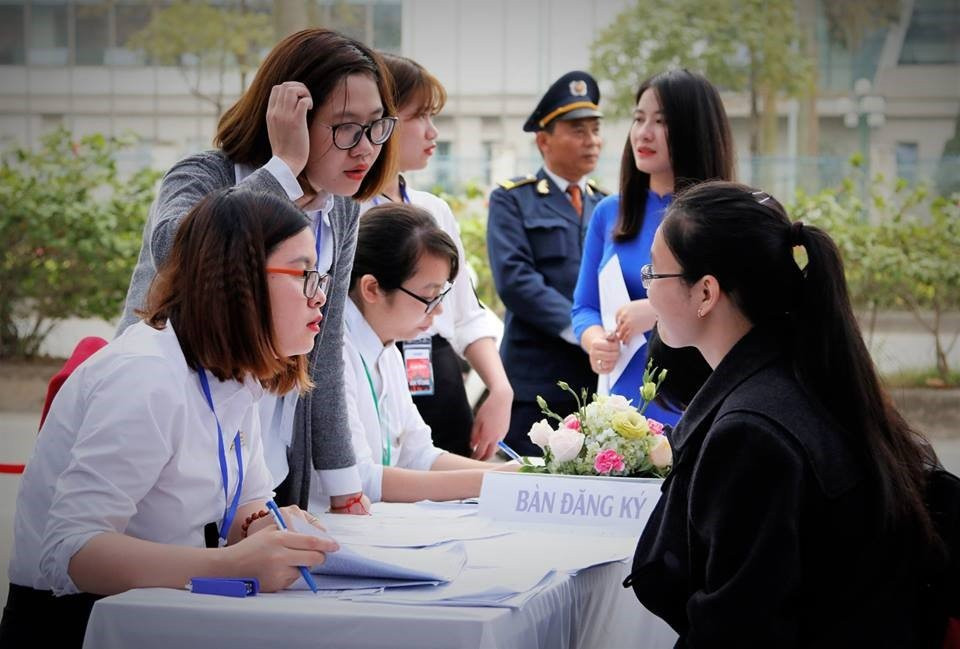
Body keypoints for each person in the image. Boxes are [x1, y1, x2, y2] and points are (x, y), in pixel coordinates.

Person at [0, 189, 339, 647]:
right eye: (303, 274)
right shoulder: (147, 374)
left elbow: (246, 504)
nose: (319, 296)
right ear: (239, 280)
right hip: (79, 624)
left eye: (319, 275)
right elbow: (72, 553)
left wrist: (267, 525)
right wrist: (233, 564)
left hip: (165, 611)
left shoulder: (238, 375)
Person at [625, 180, 943, 646]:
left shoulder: (750, 434)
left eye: (656, 273)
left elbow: (740, 630)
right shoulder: (810, 376)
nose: (647, 287)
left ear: (706, 293)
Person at [115, 28, 399, 513]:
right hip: (169, 439)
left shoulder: (342, 209)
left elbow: (324, 348)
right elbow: (178, 253)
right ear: (289, 118)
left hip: (261, 455)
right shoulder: (205, 175)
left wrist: (342, 480)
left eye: (377, 125)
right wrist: (283, 171)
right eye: (346, 127)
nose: (366, 147)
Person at [308, 202, 512, 506]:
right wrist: (498, 480)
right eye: (429, 297)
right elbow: (358, 478)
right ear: (372, 289)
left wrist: (518, 475)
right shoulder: (332, 353)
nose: (439, 310)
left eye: (440, 295)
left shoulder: (386, 344)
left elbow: (417, 454)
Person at [360, 54, 512, 460]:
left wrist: (499, 389)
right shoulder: (344, 212)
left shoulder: (434, 212)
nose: (433, 131)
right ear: (382, 122)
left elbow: (464, 313)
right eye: (420, 116)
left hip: (438, 375)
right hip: (370, 375)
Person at [572, 69, 733, 426]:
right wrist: (595, 341)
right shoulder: (608, 213)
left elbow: (739, 309)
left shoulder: (722, 217)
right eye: (638, 118)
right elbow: (583, 307)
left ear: (695, 129)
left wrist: (659, 310)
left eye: (661, 121)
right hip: (619, 409)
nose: (644, 133)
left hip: (696, 403)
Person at [487, 70, 607, 456]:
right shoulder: (513, 200)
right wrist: (584, 329)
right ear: (543, 140)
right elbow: (516, 280)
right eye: (577, 130)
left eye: (594, 130)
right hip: (535, 384)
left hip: (595, 383)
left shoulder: (606, 206)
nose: (591, 141)